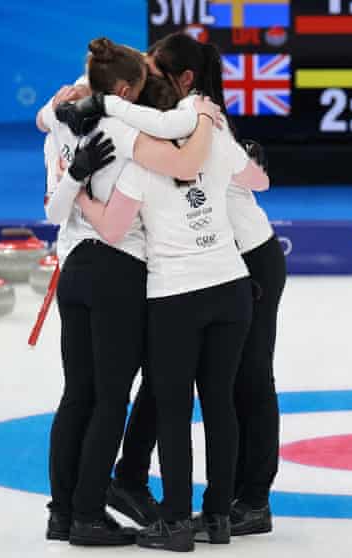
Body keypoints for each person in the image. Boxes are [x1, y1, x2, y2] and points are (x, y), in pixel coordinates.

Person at [73, 73, 269, 552]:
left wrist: (77, 193)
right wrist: (214, 129)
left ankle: (176, 521)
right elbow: (258, 179)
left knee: (174, 410)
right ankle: (218, 516)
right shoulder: (218, 146)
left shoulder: (140, 167)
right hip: (231, 285)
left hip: (176, 296)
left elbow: (114, 230)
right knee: (220, 403)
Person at [38, 37, 220, 546]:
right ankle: (89, 514)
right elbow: (182, 162)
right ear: (122, 89)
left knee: (78, 394)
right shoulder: (122, 130)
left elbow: (44, 123)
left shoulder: (57, 120)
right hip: (117, 271)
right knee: (111, 398)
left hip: (72, 265)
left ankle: (62, 511)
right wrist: (203, 116)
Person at [115, 32, 287, 537]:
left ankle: (251, 498)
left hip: (247, 259)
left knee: (247, 380)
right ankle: (136, 477)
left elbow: (255, 181)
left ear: (183, 79)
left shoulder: (196, 115)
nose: (144, 80)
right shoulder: (182, 114)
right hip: (218, 262)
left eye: (153, 71)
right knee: (171, 373)